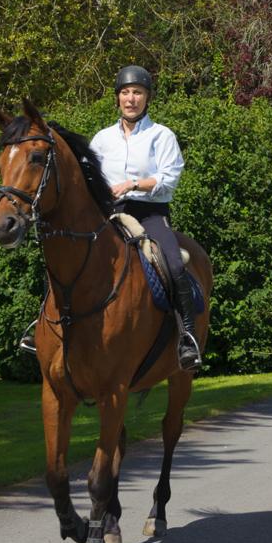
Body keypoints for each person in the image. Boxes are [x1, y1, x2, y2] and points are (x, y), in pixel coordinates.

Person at [89, 65, 202, 369]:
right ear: (117, 99)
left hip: (149, 213)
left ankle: (187, 337)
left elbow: (168, 178)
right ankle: (43, 326)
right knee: (69, 253)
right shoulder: (101, 140)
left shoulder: (161, 136)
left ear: (147, 98)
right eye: (125, 92)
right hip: (110, 214)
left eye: (137, 92)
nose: (131, 98)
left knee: (174, 262)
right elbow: (90, 179)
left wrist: (132, 184)